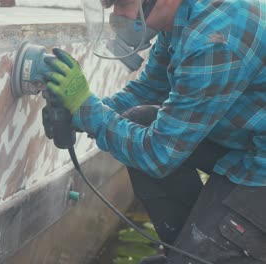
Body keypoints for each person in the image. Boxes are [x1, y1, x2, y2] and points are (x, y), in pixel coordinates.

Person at [42, 0, 266, 263]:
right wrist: (81, 112)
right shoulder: (182, 19)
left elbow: (159, 155)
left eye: (122, 4)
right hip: (246, 146)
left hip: (259, 169)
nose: (118, 16)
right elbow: (147, 90)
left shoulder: (214, 40)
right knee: (140, 121)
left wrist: (87, 109)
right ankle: (190, 249)